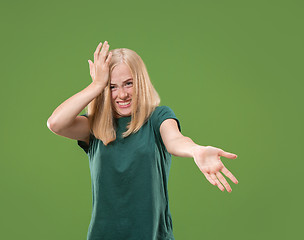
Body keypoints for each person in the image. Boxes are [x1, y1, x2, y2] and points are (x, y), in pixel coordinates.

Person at [46, 41, 239, 240]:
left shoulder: (158, 117)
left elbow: (174, 140)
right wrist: (96, 85)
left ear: (141, 82)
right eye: (112, 86)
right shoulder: (94, 127)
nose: (122, 94)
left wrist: (195, 150)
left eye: (128, 83)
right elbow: (56, 123)